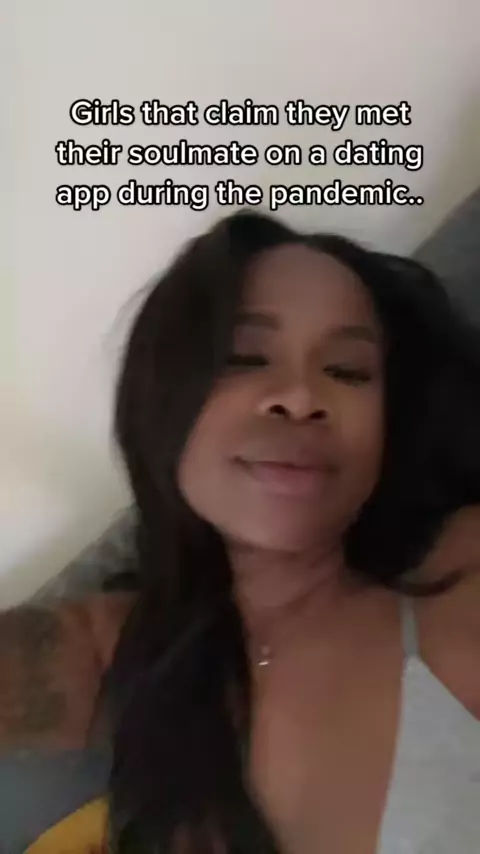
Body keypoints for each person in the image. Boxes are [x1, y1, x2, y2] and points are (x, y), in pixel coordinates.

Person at [1, 210, 480, 853]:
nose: (301, 397)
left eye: (348, 369)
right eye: (244, 357)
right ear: (162, 400)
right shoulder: (135, 649)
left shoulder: (456, 581)